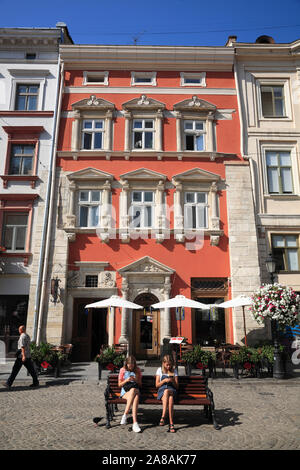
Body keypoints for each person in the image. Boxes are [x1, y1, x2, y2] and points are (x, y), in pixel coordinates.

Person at [118, 355, 142, 433]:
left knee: (133, 390)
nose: (130, 366)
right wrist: (126, 380)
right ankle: (135, 423)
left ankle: (125, 414)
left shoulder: (137, 370)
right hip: (125, 391)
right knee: (135, 396)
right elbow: (119, 384)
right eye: (129, 364)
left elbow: (140, 384)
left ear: (134, 364)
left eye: (132, 365)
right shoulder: (122, 370)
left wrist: (135, 380)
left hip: (136, 389)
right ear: (126, 364)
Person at [156, 354, 178, 433]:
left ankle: (163, 416)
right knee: (170, 398)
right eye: (167, 365)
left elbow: (177, 386)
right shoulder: (159, 370)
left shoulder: (174, 371)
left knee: (168, 391)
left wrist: (172, 381)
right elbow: (157, 385)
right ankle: (171, 423)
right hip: (162, 391)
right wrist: (164, 381)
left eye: (170, 365)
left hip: (172, 390)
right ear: (163, 363)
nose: (168, 366)